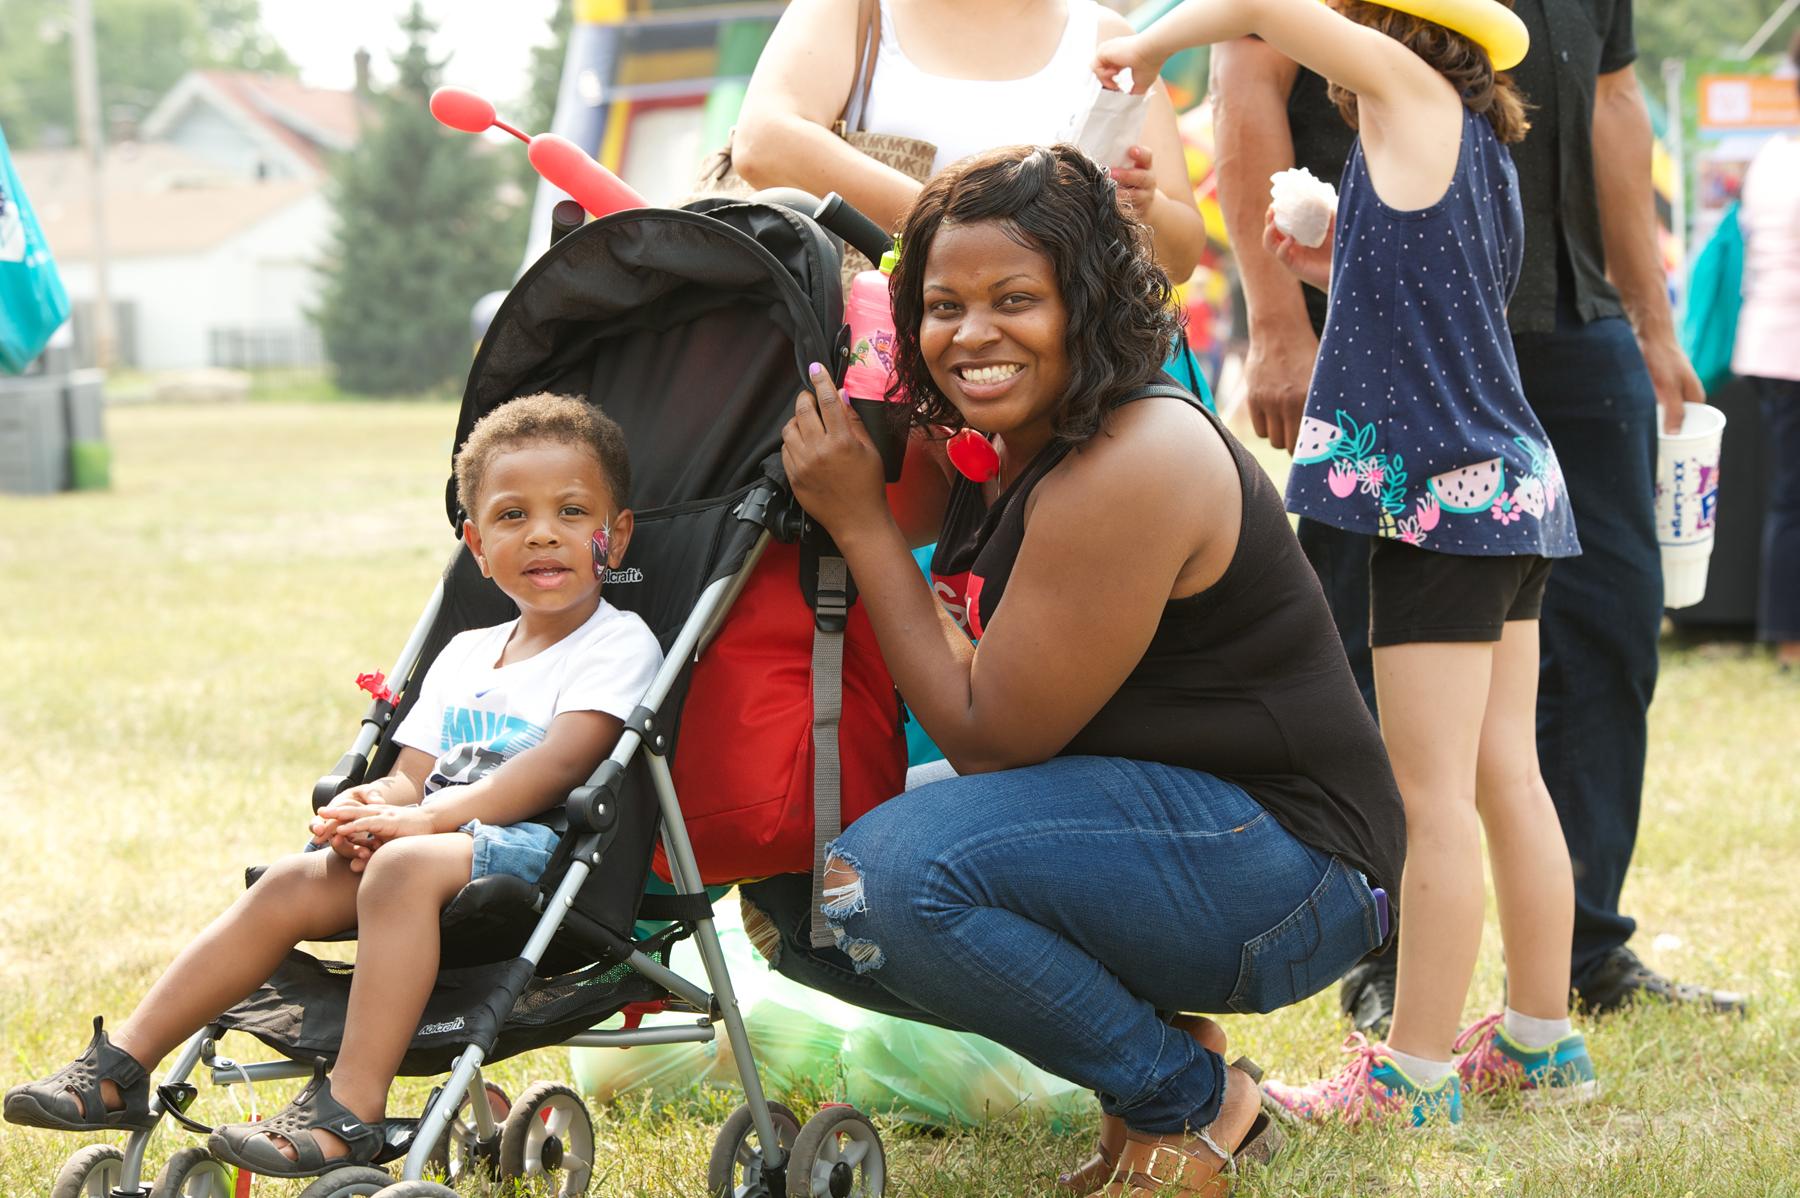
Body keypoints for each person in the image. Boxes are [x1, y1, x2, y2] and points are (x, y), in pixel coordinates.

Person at [753, 143, 1403, 1197]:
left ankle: (1187, 1100)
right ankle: (1153, 1052)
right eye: (942, 305)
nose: (973, 335)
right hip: (1166, 830)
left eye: (1016, 299)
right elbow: (850, 486)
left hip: (1291, 868)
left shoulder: (1134, 458)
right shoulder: (998, 435)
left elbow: (989, 735)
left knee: (877, 880)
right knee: (795, 880)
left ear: (1090, 300)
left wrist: (864, 521)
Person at [1099, 0, 1596, 1123]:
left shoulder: (1408, 96)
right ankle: (1540, 1038)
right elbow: (1433, 313)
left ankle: (1411, 1074)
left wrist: (1149, 41)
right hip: (1509, 486)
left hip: (1440, 505)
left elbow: (1269, 8)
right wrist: (1328, 268)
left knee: (1429, 800)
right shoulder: (1466, 139)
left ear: (1391, 29)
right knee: (1502, 774)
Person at [1211, 0, 1746, 1031]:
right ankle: (1414, 973)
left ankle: (1493, 1018)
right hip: (1405, 373)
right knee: (1425, 714)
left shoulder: (1422, 97)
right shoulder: (1462, 118)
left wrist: (1650, 315)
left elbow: (1617, 102)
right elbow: (1248, 71)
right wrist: (1278, 314)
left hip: (1498, 392)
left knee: (1539, 701)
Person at [2, 394, 664, 1178]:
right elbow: (411, 775)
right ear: (477, 545)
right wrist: (370, 806)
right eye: (512, 516)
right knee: (288, 881)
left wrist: (421, 824)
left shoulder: (616, 644)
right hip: (435, 842)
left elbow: (558, 765)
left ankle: (351, 1106)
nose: (543, 532)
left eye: (571, 511)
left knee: (401, 862)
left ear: (613, 536)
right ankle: (122, 1066)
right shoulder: (465, 654)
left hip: (543, 854)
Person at [732, 0, 1208, 284]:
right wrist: (968, 231)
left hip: (1055, 384)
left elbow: (1181, 257)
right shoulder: (860, 10)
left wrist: (1142, 208)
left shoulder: (1107, 38)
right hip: (867, 359)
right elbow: (764, 141)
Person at [1733, 32, 1800, 673]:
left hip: (1768, 346)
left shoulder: (1773, 157)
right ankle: (1788, 642)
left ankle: (1787, 642)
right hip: (1789, 347)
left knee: (1789, 501)